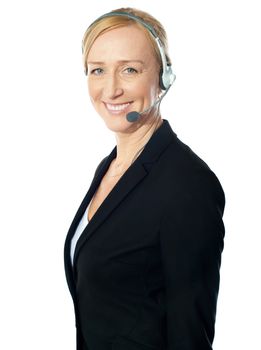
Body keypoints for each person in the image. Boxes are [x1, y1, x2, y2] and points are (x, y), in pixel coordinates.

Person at [64, 7, 226, 350]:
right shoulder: (109, 167)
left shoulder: (188, 184)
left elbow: (190, 336)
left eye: (130, 70)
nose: (111, 89)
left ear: (164, 76)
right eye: (97, 70)